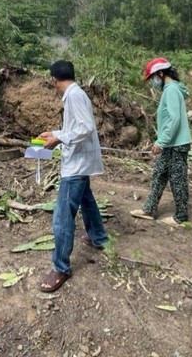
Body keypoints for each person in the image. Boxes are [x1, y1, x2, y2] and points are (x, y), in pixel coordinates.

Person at [37, 60, 108, 293]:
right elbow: (75, 127)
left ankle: (61, 267)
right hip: (79, 161)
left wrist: (59, 139)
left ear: (54, 79)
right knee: (86, 200)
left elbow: (85, 127)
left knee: (62, 217)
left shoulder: (74, 96)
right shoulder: (75, 94)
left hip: (75, 165)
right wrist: (55, 133)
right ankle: (98, 236)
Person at [131, 57, 192, 226]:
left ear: (160, 73)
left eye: (153, 79)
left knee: (177, 180)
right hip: (171, 143)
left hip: (176, 144)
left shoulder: (171, 90)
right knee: (159, 174)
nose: (153, 83)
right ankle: (149, 210)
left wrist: (161, 141)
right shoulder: (171, 89)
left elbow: (174, 119)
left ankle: (181, 216)